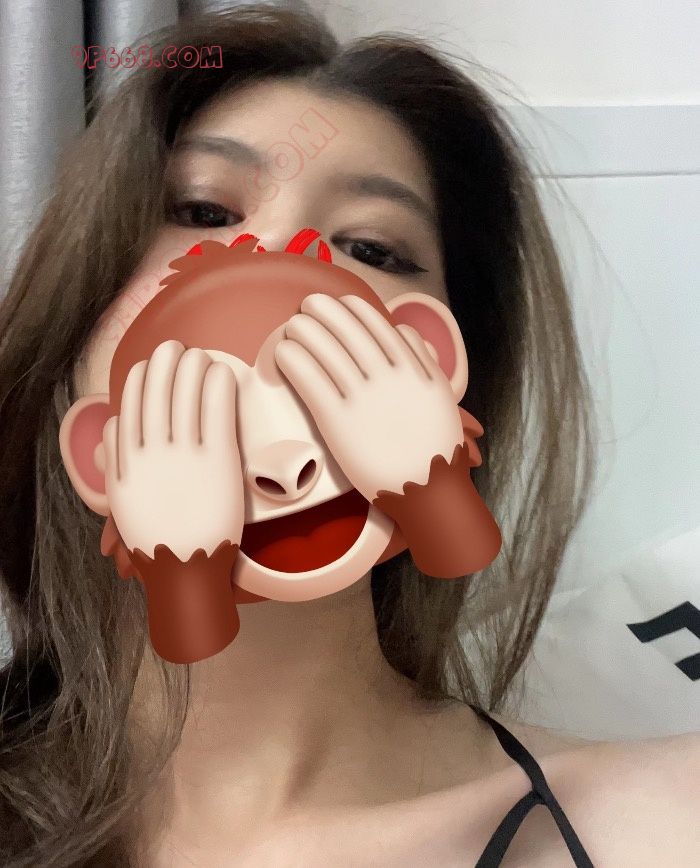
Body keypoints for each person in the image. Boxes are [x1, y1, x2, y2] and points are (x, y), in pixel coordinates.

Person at [0, 3, 697, 866]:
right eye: (203, 211)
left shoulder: (660, 820)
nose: (279, 265)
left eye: (372, 249)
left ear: (444, 367)